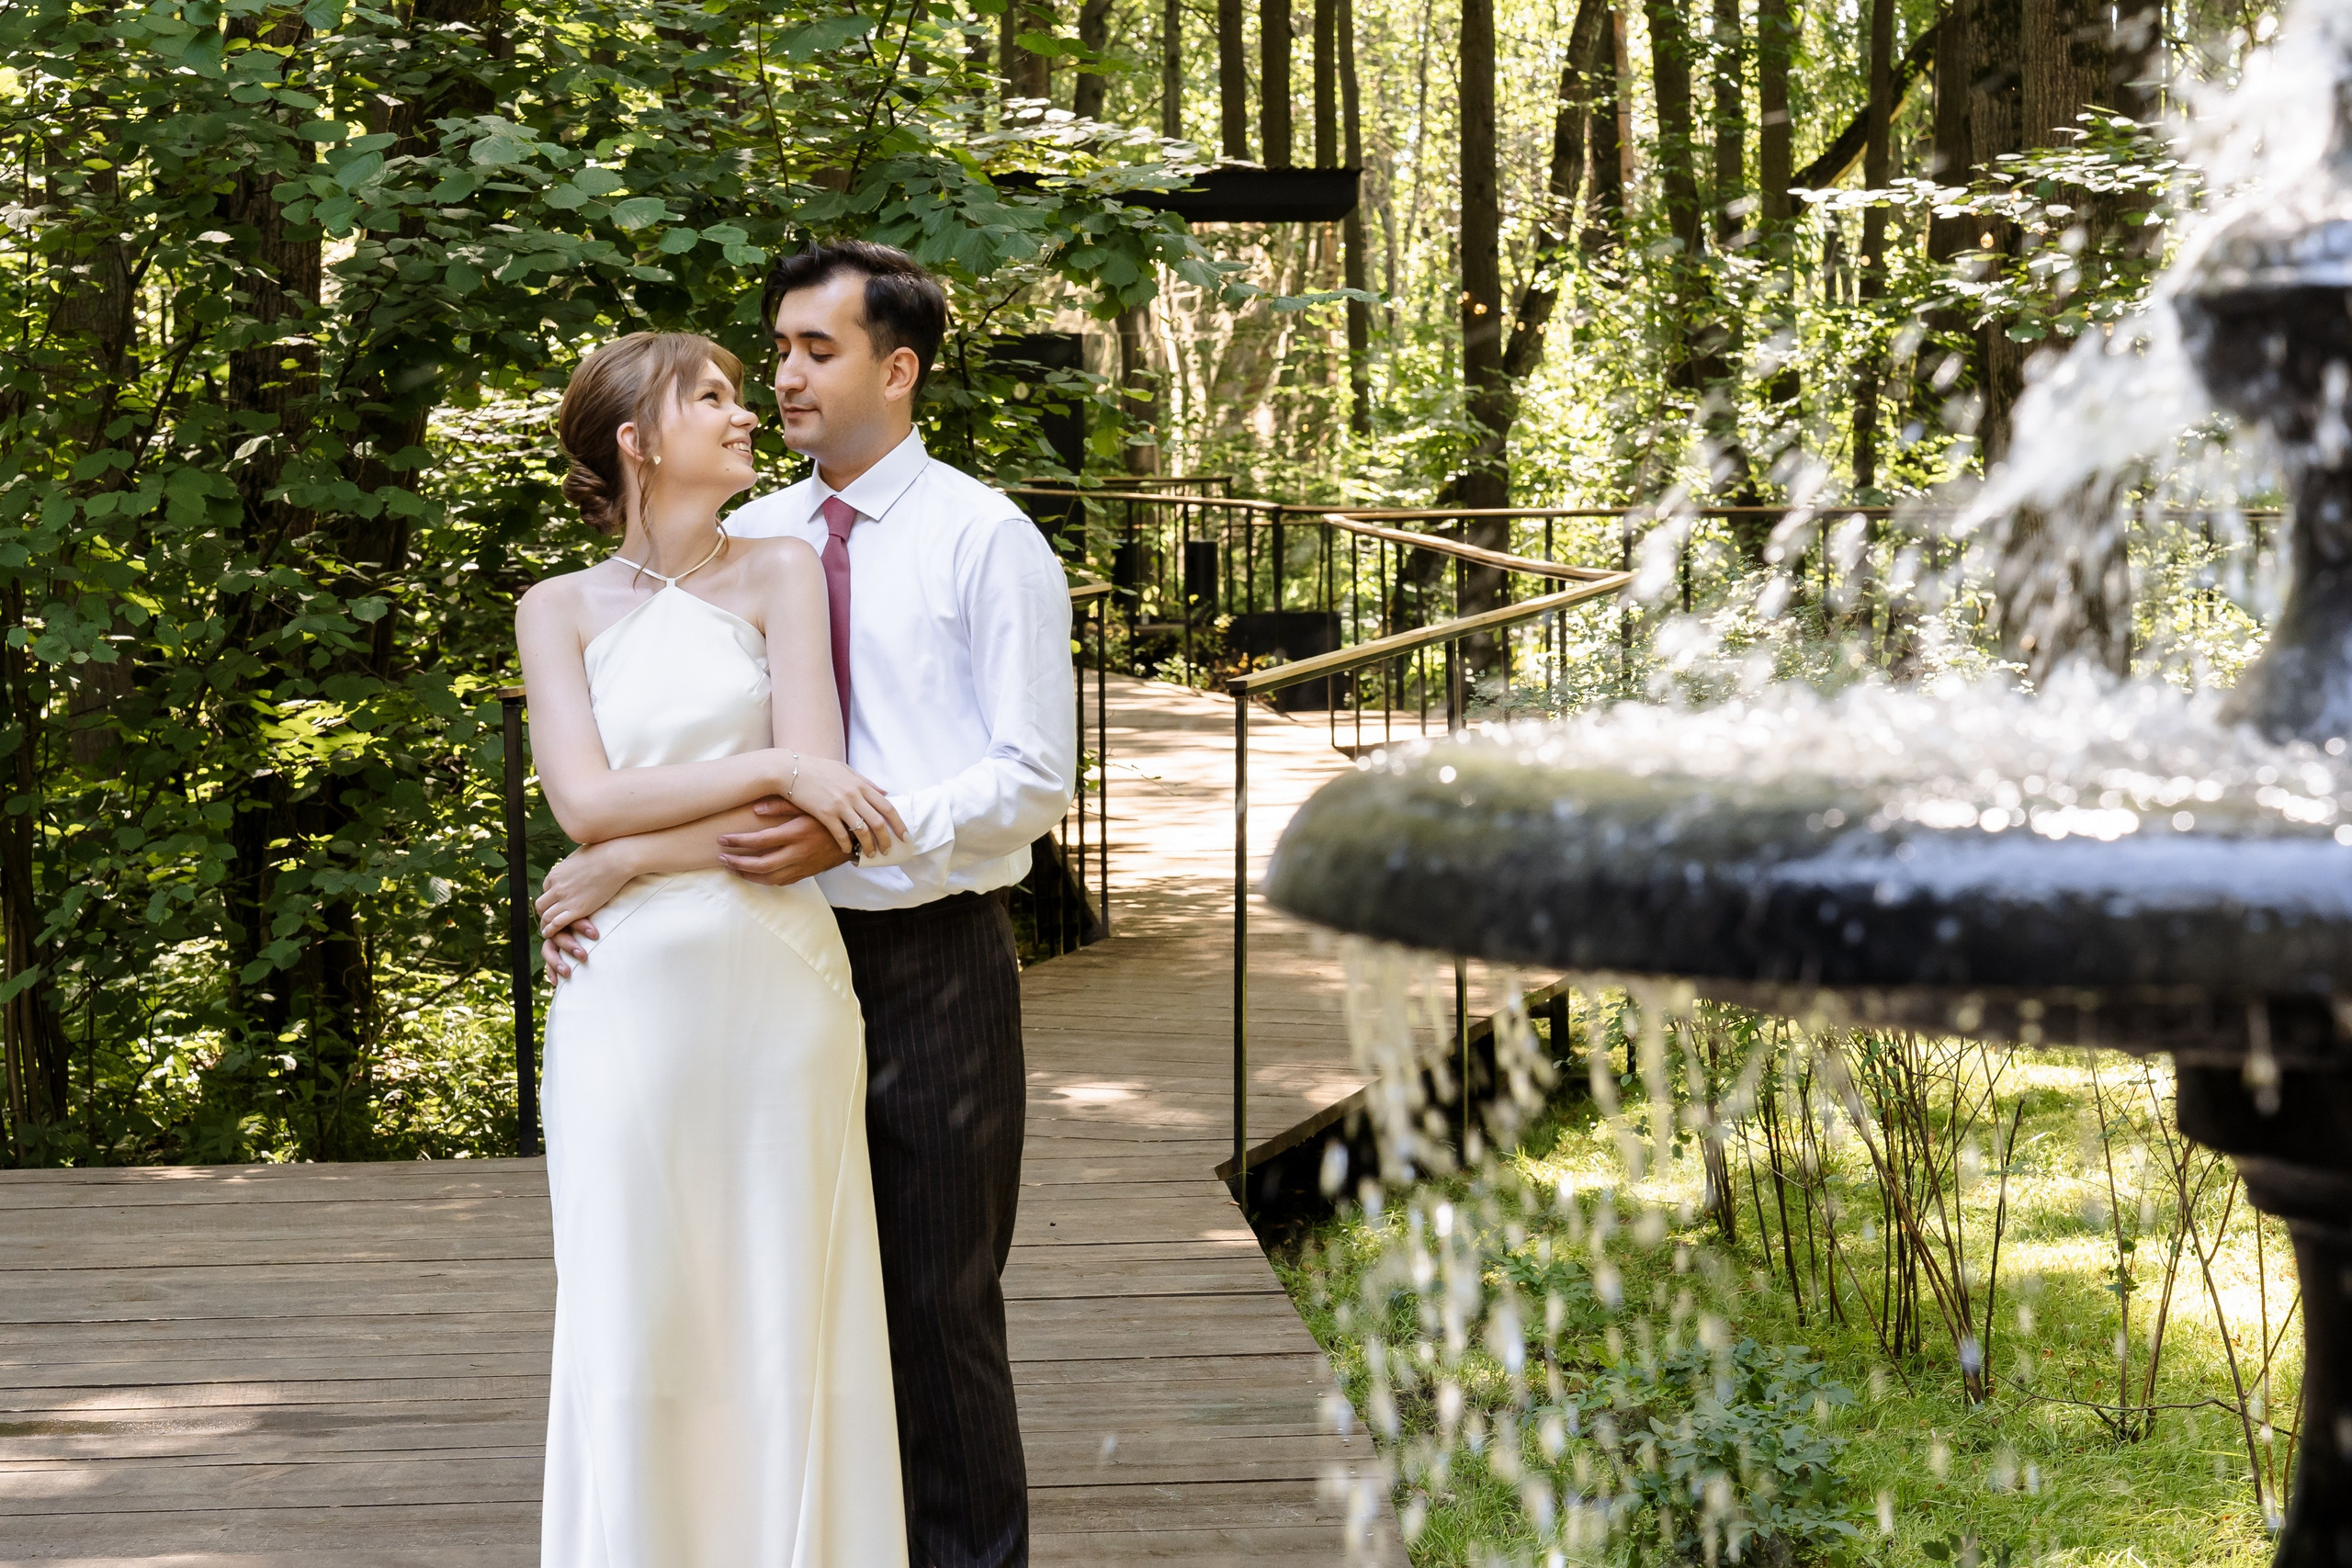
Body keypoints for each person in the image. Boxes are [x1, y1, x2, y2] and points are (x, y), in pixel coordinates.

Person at [543, 243, 1077, 1568]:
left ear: (896, 371)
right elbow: (633, 773)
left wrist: (854, 828)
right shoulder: (758, 534)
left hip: (931, 948)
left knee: (936, 1306)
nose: (780, 376)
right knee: (774, 1295)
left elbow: (1031, 777)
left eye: (814, 351)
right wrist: (645, 855)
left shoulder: (983, 537)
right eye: (772, 349)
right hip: (766, 946)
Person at [517, 331, 910, 1566]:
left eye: (745, 397)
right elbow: (584, 803)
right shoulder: (555, 611)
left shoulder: (781, 573)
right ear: (637, 442)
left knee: (787, 1291)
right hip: (623, 998)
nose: (747, 415)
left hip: (774, 983)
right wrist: (777, 765)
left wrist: (641, 852)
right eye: (714, 398)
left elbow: (815, 812)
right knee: (637, 1300)